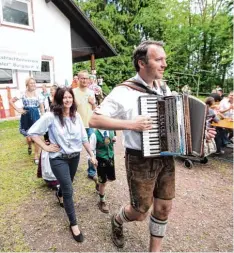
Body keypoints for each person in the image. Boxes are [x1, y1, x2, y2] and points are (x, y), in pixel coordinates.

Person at [89, 40, 216, 252]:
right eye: (159, 59)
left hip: (166, 157)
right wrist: (131, 124)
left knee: (164, 208)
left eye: (164, 59)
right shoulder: (124, 91)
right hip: (140, 160)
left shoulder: (164, 87)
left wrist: (199, 134)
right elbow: (94, 120)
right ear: (141, 63)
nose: (164, 64)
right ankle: (118, 220)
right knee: (140, 212)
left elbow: (177, 122)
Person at [28, 87, 97, 243]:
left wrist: (92, 155)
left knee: (67, 185)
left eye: (70, 97)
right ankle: (74, 224)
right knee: (69, 189)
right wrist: (45, 147)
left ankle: (58, 194)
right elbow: (33, 132)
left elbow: (84, 138)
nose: (68, 100)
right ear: (59, 99)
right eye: (64, 97)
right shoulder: (51, 116)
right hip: (58, 158)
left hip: (74, 157)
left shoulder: (76, 116)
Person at [9, 77, 44, 164]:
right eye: (31, 83)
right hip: (26, 116)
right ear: (27, 85)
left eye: (34, 83)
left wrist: (43, 117)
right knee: (29, 138)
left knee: (37, 137)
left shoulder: (38, 94)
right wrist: (18, 109)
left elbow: (42, 107)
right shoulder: (22, 93)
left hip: (36, 116)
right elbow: (11, 101)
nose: (33, 84)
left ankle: (36, 156)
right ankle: (29, 146)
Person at [73, 70, 98, 189]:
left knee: (91, 150)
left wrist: (93, 103)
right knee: (73, 149)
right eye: (82, 78)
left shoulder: (91, 92)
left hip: (90, 125)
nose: (84, 80)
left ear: (89, 80)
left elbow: (95, 109)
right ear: (78, 79)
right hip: (77, 126)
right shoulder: (73, 92)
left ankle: (91, 172)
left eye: (86, 78)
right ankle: (71, 171)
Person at [37, 84, 59, 189]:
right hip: (48, 125)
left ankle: (59, 177)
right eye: (51, 90)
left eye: (53, 90)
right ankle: (50, 179)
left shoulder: (61, 101)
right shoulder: (47, 100)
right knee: (49, 149)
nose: (52, 92)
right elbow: (44, 111)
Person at [89, 129, 117, 213]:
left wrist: (114, 140)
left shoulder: (111, 131)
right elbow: (91, 149)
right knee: (103, 182)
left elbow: (113, 142)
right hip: (100, 160)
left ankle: (98, 181)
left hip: (110, 158)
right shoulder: (94, 134)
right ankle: (102, 201)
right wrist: (93, 159)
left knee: (110, 178)